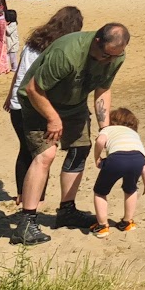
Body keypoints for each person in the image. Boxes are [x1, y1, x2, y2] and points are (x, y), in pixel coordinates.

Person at [15, 21, 129, 244]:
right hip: (39, 103)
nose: (109, 61)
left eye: (115, 56)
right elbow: (33, 89)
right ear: (97, 41)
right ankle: (26, 222)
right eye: (106, 55)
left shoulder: (115, 56)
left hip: (74, 106)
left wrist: (105, 129)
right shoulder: (67, 53)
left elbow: (103, 89)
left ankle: (67, 211)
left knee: (80, 149)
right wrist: (53, 118)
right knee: (46, 155)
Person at [4, 6, 83, 205]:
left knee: (25, 149)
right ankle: (35, 196)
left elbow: (21, 71)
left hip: (17, 101)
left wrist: (10, 95)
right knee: (41, 154)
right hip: (33, 103)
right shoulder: (59, 48)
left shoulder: (34, 41)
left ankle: (22, 194)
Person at [91, 107, 145, 237]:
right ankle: (127, 222)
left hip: (116, 159)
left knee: (100, 192)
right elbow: (144, 166)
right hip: (137, 159)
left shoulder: (108, 129)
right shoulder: (134, 134)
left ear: (111, 120)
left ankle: (102, 226)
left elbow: (100, 141)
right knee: (131, 189)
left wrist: (97, 157)